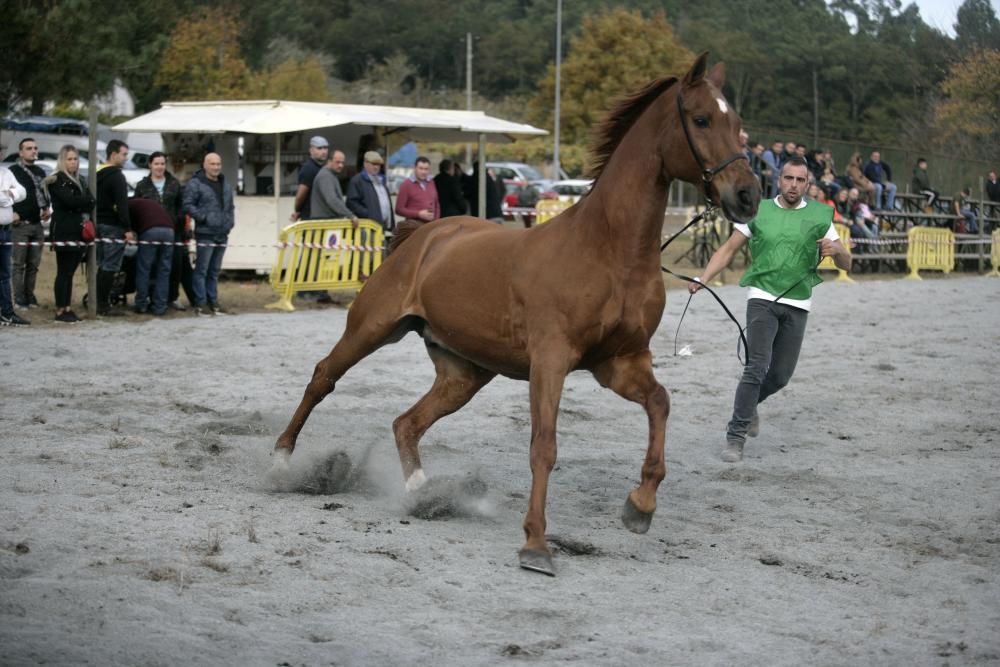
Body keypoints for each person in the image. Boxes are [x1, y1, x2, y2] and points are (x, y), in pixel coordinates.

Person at [688, 157, 851, 463]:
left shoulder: (820, 215)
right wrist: (702, 278)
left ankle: (749, 407)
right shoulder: (758, 210)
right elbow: (727, 249)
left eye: (800, 180)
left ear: (808, 184)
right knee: (756, 366)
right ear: (779, 179)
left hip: (799, 302)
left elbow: (846, 264)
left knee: (780, 376)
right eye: (788, 178)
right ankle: (735, 437)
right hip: (762, 297)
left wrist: (839, 251)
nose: (793, 185)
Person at [134, 152, 194, 311]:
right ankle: (144, 300)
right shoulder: (142, 185)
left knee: (170, 267)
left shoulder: (174, 184)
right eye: (156, 164)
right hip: (148, 231)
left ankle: (166, 300)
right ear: (150, 165)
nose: (159, 167)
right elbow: (136, 207)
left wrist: (177, 222)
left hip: (172, 232)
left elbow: (182, 206)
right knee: (148, 267)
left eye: (162, 164)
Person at [44, 145, 94, 323]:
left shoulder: (79, 179)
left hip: (77, 230)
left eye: (75, 159)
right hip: (63, 230)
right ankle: (59, 310)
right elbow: (70, 202)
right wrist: (84, 201)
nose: (73, 162)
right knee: (63, 271)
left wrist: (83, 202)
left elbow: (90, 202)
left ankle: (67, 307)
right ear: (62, 160)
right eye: (69, 159)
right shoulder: (56, 179)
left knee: (70, 272)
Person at [183, 152, 234, 315]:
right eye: (212, 164)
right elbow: (188, 205)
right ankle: (200, 303)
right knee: (202, 269)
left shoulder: (225, 183)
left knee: (214, 270)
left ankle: (213, 302)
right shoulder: (195, 183)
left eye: (218, 164)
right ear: (204, 165)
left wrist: (230, 221)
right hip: (205, 232)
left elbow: (230, 206)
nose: (216, 167)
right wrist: (204, 218)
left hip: (222, 232)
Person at [9, 137, 50, 309]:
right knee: (18, 264)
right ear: (21, 152)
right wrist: (12, 213)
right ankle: (18, 299)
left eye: (35, 148)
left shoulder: (41, 171)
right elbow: (6, 195)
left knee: (33, 265)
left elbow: (43, 194)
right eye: (29, 148)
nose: (33, 151)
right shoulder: (13, 171)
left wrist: (47, 208)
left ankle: (30, 297)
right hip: (21, 225)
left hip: (37, 224)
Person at [95, 139, 135, 316]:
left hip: (98, 224)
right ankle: (103, 305)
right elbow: (122, 204)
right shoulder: (117, 176)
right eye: (124, 154)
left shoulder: (95, 173)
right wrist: (127, 228)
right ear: (113, 154)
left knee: (102, 265)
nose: (126, 158)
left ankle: (96, 301)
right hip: (113, 225)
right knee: (110, 266)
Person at [127, 197, 175, 315]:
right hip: (169, 231)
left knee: (144, 269)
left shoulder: (129, 205)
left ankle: (141, 304)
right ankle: (160, 306)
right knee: (164, 271)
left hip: (150, 231)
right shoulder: (149, 203)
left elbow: (131, 225)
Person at [0, 165, 29, 326]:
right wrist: (7, 196)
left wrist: (10, 194)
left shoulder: (6, 172)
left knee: (4, 274)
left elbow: (22, 192)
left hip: (6, 230)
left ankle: (6, 313)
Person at [346, 150, 394, 234]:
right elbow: (351, 203)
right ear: (365, 163)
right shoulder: (357, 181)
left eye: (378, 164)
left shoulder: (381, 180)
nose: (376, 167)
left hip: (383, 227)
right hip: (367, 228)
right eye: (373, 164)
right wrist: (370, 215)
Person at [290, 136, 329, 223]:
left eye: (325, 148)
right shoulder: (309, 168)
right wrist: (297, 210)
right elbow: (300, 196)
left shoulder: (321, 168)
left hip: (320, 217)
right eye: (319, 148)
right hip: (311, 218)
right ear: (311, 150)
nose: (323, 151)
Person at [309, 149, 356, 222]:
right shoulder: (326, 176)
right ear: (329, 161)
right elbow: (332, 200)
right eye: (337, 162)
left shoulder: (331, 175)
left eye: (342, 163)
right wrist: (350, 215)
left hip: (328, 221)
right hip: (325, 222)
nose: (340, 165)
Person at [394, 156, 439, 224]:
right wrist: (418, 214)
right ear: (414, 168)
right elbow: (399, 210)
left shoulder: (431, 183)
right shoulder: (406, 185)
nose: (423, 172)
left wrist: (436, 221)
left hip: (430, 227)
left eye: (426, 169)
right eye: (420, 168)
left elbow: (436, 205)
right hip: (413, 228)